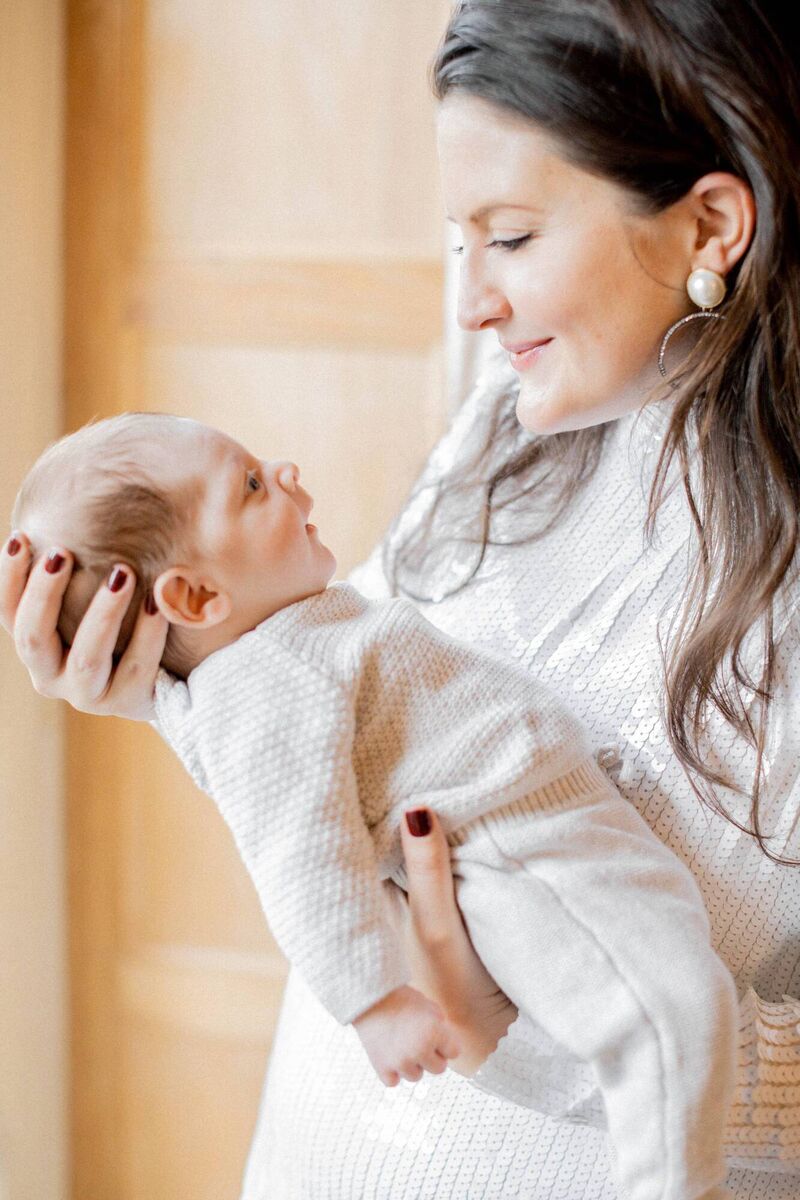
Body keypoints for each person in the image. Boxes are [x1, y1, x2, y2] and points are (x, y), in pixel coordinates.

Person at [3, 0, 800, 1195]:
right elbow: (336, 705)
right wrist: (175, 688)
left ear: (711, 220)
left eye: (514, 236)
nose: (472, 301)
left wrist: (541, 1031)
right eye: (455, 242)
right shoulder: (510, 403)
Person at [11, 411, 739, 1199]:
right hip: (507, 853)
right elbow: (298, 852)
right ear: (193, 594)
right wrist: (374, 1000)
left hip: (536, 830)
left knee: (673, 1002)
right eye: (251, 485)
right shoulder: (255, 683)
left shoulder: (285, 635)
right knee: (671, 1010)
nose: (285, 472)